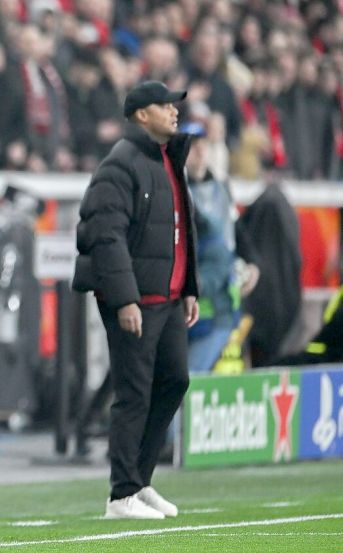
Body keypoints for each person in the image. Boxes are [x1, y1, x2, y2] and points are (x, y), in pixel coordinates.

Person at [72, 81, 199, 520]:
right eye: (165, 105)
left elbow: (180, 233)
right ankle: (121, 494)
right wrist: (125, 299)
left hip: (166, 298)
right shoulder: (120, 164)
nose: (174, 111)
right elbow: (104, 236)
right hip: (135, 300)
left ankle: (140, 482)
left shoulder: (167, 160)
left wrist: (189, 288)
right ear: (141, 114)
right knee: (133, 394)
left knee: (174, 381)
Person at [184, 123, 259, 375]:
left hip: (223, 297)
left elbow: (235, 230)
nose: (199, 152)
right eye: (192, 147)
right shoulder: (177, 190)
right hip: (194, 293)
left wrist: (252, 263)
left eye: (202, 145)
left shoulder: (221, 188)